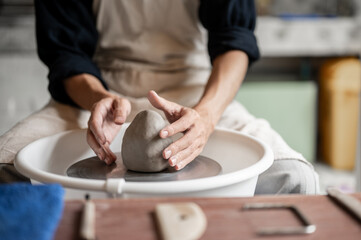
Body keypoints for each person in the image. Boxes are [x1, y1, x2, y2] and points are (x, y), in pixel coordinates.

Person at [0, 0, 319, 194]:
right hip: (98, 93)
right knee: (6, 172)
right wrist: (98, 98)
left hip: (195, 90)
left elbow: (235, 39)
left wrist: (206, 116)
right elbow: (65, 54)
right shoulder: (96, 96)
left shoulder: (202, 105)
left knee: (295, 179)